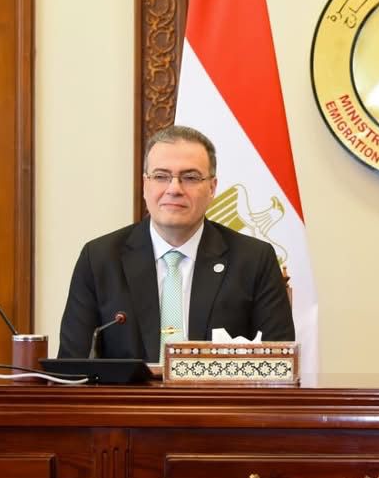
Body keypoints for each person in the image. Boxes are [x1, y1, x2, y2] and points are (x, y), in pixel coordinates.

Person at [57, 125, 294, 361]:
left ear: (212, 188)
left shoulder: (253, 260)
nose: (174, 189)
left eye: (190, 178)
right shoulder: (100, 259)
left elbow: (279, 364)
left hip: (218, 388)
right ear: (145, 185)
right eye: (161, 176)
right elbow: (72, 366)